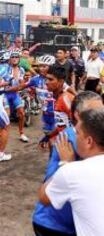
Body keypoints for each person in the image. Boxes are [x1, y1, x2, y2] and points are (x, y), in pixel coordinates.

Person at [32, 91, 103, 236]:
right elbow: (45, 196)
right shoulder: (74, 136)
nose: (98, 115)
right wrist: (66, 164)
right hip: (54, 223)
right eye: (93, 111)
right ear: (78, 114)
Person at [38, 66, 74, 148]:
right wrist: (48, 136)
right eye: (46, 79)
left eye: (51, 79)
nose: (46, 82)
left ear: (61, 82)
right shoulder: (57, 98)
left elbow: (79, 124)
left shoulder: (65, 99)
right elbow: (62, 124)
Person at [0, 49, 29, 143]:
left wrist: (22, 84)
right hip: (5, 95)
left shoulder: (21, 70)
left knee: (22, 113)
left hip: (15, 94)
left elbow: (22, 84)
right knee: (5, 116)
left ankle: (21, 133)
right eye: (13, 57)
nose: (15, 58)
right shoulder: (5, 69)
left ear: (19, 59)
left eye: (17, 57)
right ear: (9, 59)